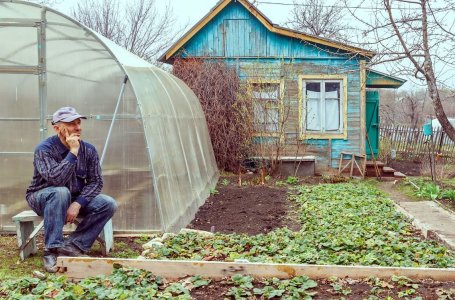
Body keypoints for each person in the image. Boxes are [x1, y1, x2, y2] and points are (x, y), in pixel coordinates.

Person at [26, 107, 117, 273]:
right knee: (60, 192)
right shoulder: (44, 149)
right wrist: (73, 152)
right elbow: (56, 180)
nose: (78, 128)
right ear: (57, 128)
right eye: (71, 124)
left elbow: (96, 182)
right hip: (42, 197)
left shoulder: (89, 150)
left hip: (73, 198)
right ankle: (52, 251)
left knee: (108, 203)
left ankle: (72, 246)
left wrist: (78, 203)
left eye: (78, 123)